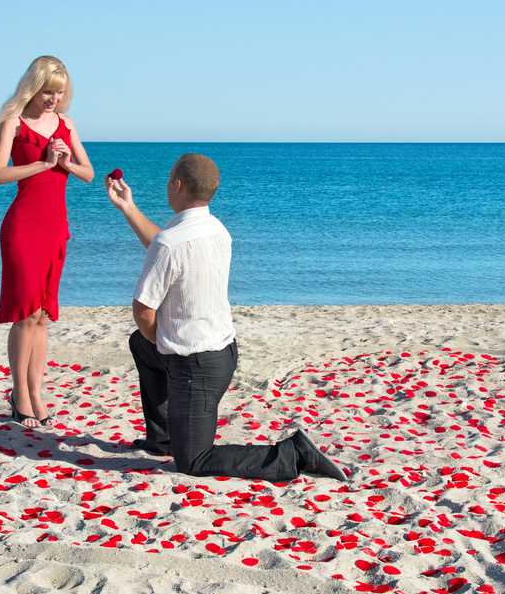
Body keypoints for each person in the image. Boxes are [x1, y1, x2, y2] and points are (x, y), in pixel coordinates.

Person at [105, 153, 346, 482]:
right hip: (222, 353)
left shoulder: (170, 243)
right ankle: (163, 438)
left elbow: (143, 310)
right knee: (141, 345)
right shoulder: (216, 229)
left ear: (177, 185)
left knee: (194, 462)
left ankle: (293, 453)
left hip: (196, 368)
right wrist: (127, 207)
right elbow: (167, 250)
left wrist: (161, 340)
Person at [0, 56, 94, 428]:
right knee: (24, 313)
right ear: (34, 86)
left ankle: (36, 394)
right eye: (49, 90)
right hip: (23, 225)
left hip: (54, 226)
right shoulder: (13, 122)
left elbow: (88, 173)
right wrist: (45, 165)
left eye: (60, 92)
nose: (54, 99)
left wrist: (63, 163)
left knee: (43, 316)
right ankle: (19, 395)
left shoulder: (65, 124)